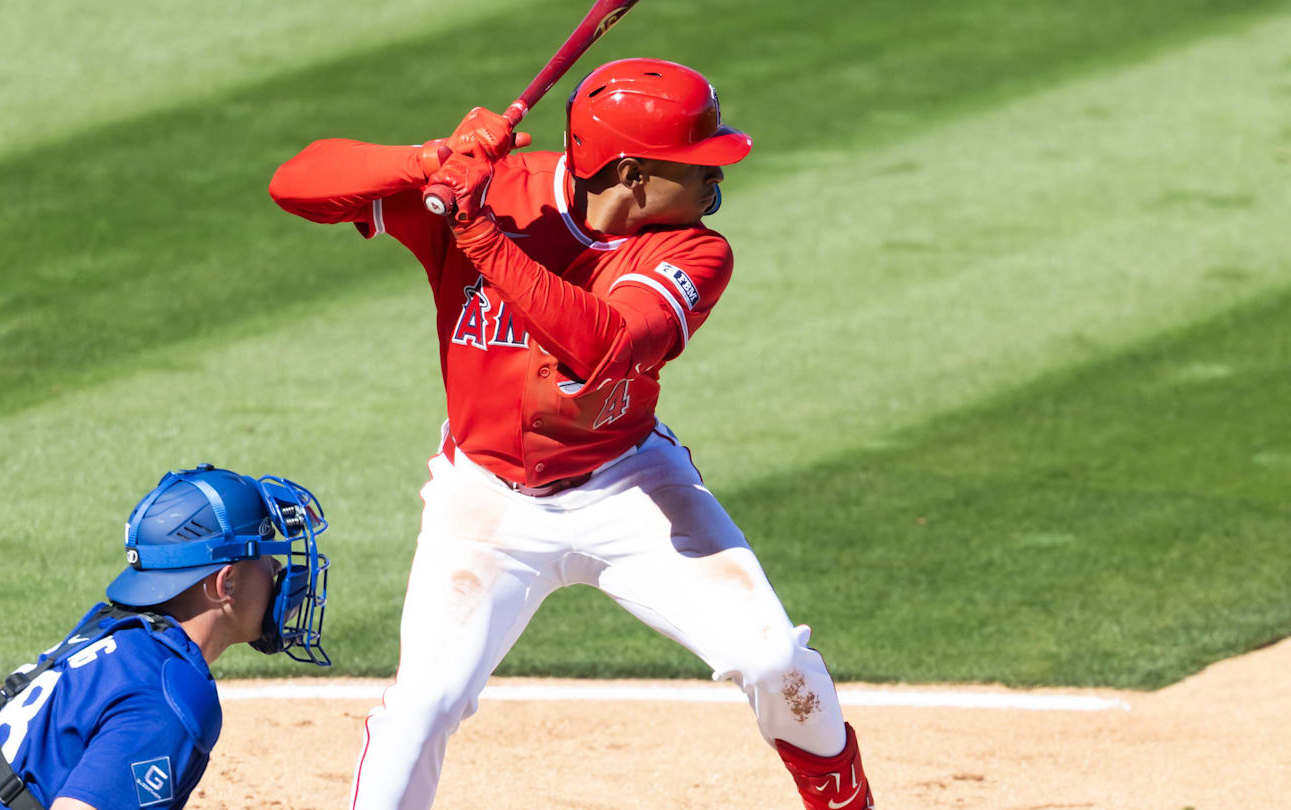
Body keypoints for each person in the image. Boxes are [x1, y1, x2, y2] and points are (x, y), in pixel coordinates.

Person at [270, 57, 874, 810]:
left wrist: (480, 239)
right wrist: (425, 161)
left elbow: (609, 344)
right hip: (484, 500)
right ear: (631, 175)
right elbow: (295, 184)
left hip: (629, 487)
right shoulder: (495, 193)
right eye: (700, 167)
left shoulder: (694, 250)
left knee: (775, 659)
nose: (718, 183)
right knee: (421, 707)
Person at [0, 464, 333, 810]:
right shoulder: (168, 696)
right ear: (225, 582)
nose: (277, 570)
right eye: (267, 556)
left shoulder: (112, 634)